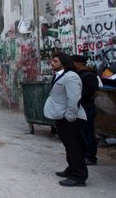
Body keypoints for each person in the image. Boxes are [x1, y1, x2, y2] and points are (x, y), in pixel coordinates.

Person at [43, 52, 87, 187]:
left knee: (74, 147)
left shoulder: (71, 77)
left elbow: (74, 98)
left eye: (55, 61)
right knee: (69, 146)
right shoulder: (60, 75)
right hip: (63, 117)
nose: (52, 63)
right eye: (52, 60)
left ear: (63, 62)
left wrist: (70, 116)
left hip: (71, 118)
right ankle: (71, 169)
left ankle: (79, 176)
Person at [71, 54, 99, 166]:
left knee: (87, 133)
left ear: (78, 63)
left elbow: (94, 93)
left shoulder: (88, 75)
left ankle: (90, 157)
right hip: (81, 107)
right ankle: (84, 155)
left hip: (87, 107)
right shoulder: (79, 74)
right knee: (81, 133)